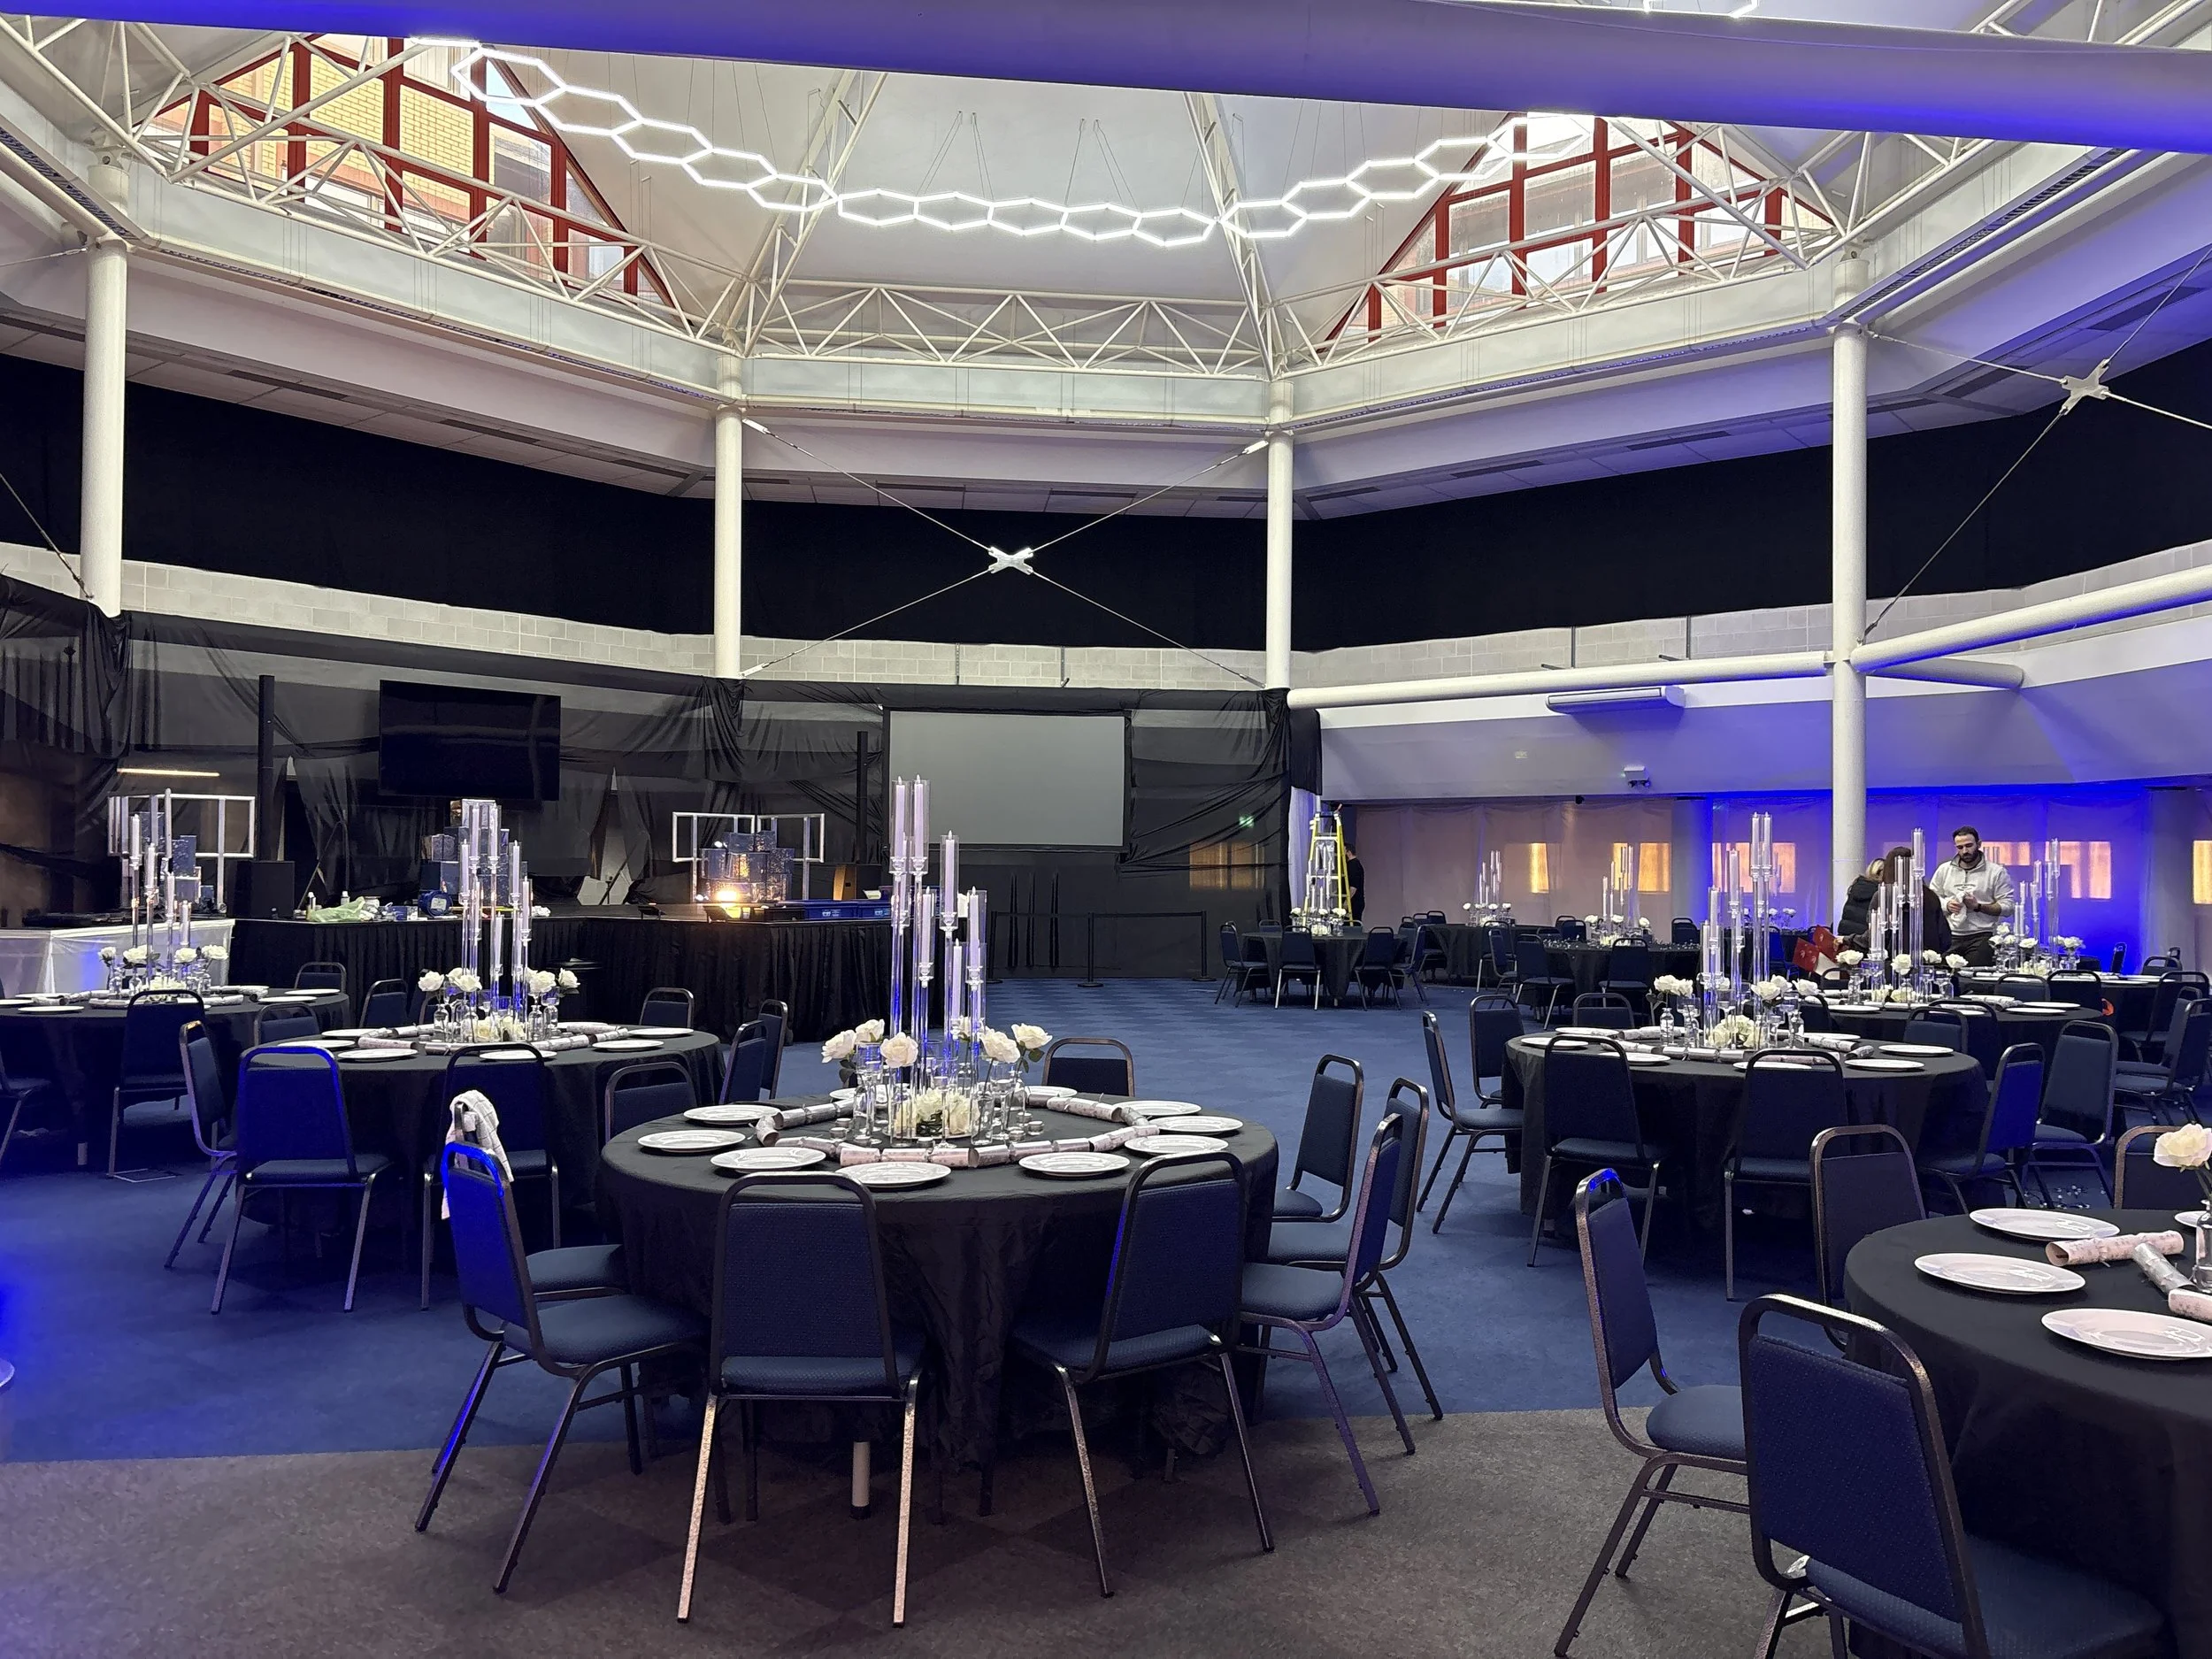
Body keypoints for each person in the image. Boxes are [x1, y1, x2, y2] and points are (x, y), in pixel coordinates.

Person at [1838, 845, 1952, 956]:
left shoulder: (1884, 896)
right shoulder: (1930, 896)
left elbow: (1874, 939)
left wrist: (1848, 939)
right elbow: (1945, 938)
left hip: (1894, 965)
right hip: (1926, 964)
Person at [1929, 826, 2014, 968]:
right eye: (1960, 847)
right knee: (1942, 976)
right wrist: (1947, 905)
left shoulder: (1996, 872)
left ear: (1979, 844)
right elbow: (1932, 900)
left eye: (1969, 846)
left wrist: (1978, 907)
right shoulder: (1944, 870)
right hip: (1949, 935)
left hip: (1982, 936)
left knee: (1976, 979)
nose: (1965, 851)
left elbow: (2008, 907)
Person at [1344, 844, 1366, 923]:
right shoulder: (1353, 865)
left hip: (1354, 903)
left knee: (1351, 928)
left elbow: (1353, 886)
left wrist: (1347, 901)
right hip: (1354, 902)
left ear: (1349, 852)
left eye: (1343, 851)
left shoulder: (1354, 866)